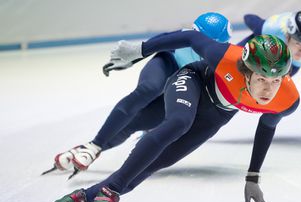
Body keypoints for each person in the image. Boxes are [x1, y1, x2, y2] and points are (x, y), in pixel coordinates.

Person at [43, 32, 299, 202]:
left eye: (276, 81)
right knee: (179, 121)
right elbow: (189, 37)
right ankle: (111, 193)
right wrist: (141, 49)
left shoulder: (286, 100)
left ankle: (81, 198)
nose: (268, 89)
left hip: (216, 114)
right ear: (246, 71)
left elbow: (267, 128)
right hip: (194, 80)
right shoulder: (225, 57)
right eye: (262, 79)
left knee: (157, 162)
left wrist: (253, 177)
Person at [45, 12, 233, 179]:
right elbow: (154, 44)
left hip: (186, 82)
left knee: (137, 123)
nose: (198, 43)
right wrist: (130, 58)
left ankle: (87, 148)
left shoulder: (223, 56)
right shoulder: (184, 36)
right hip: (168, 63)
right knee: (149, 88)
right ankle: (94, 146)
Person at [240, 10, 301, 76]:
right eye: (298, 43)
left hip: (290, 56)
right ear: (287, 36)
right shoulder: (271, 30)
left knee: (279, 78)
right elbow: (248, 17)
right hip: (275, 31)